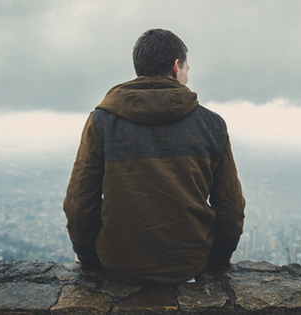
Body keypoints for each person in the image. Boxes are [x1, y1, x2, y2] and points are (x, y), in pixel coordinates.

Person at [63, 28, 245, 285]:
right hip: (189, 265)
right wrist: (216, 260)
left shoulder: (101, 122)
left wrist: (89, 257)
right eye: (187, 70)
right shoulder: (212, 125)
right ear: (175, 67)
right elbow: (231, 208)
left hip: (117, 263)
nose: (186, 76)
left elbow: (79, 203)